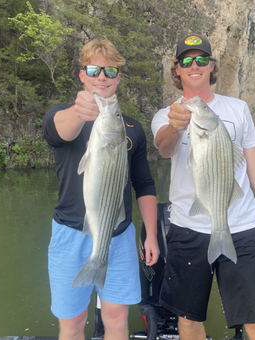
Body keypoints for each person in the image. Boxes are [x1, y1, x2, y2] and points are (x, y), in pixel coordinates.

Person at [151, 33, 255, 340]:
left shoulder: (238, 109)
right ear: (177, 70)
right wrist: (174, 126)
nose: (194, 65)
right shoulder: (166, 115)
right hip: (188, 226)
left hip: (243, 226)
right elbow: (164, 148)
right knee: (188, 320)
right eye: (187, 60)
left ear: (212, 66)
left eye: (201, 59)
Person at [43, 39, 160, 340]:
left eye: (110, 70)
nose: (102, 76)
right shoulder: (64, 115)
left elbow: (144, 184)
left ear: (118, 77)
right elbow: (58, 129)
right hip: (69, 234)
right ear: (82, 75)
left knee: (117, 319)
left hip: (118, 235)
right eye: (94, 69)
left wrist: (151, 235)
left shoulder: (131, 129)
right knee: (72, 323)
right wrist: (80, 112)